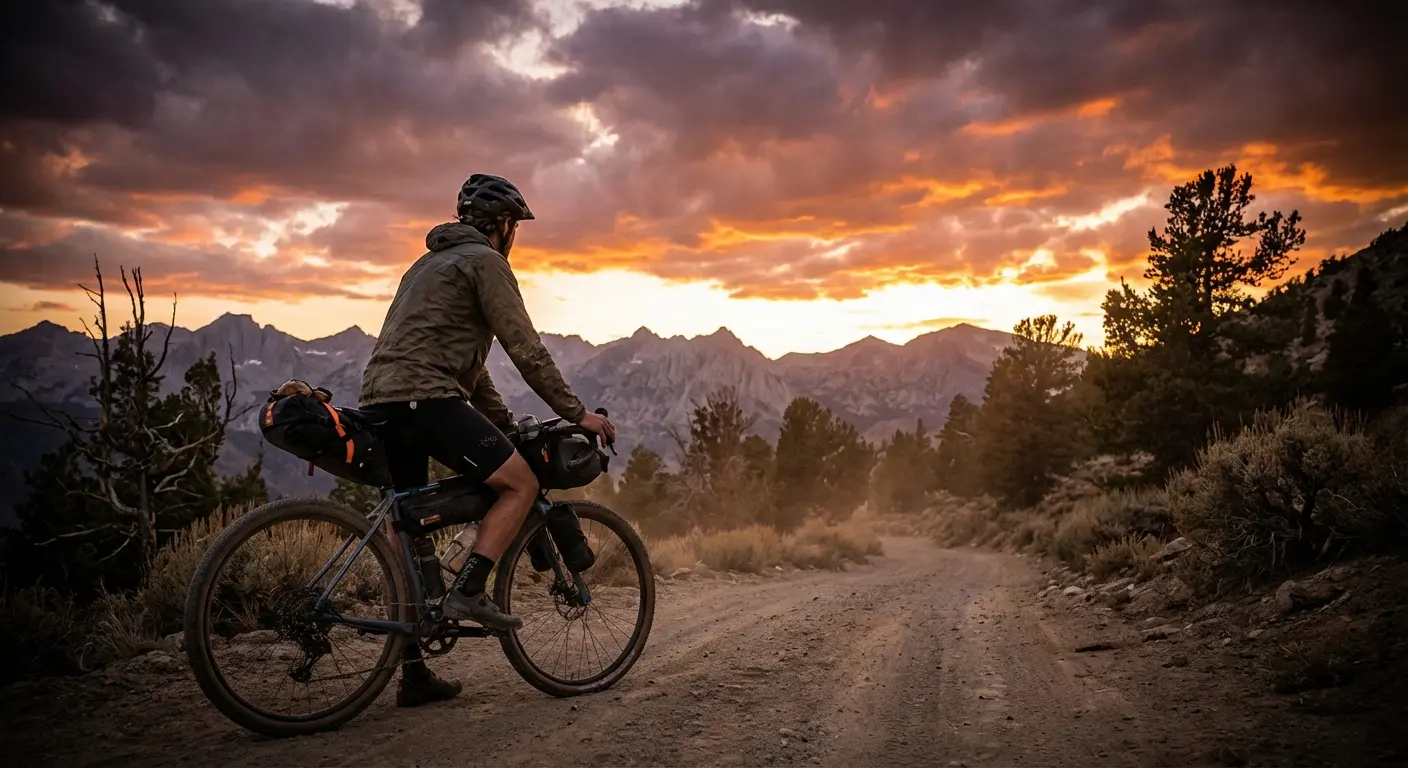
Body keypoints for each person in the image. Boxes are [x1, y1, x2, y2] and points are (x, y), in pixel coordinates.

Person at [358, 173, 615, 707]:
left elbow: (464, 365)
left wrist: (498, 422)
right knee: (519, 486)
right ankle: (470, 591)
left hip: (381, 400)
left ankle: (412, 672)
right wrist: (576, 413)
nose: (514, 236)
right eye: (515, 226)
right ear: (503, 227)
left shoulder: (424, 266)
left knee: (407, 529)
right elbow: (525, 349)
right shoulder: (487, 263)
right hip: (425, 400)